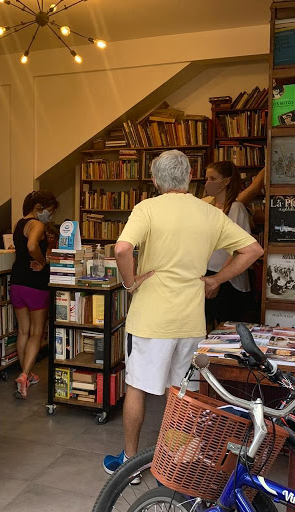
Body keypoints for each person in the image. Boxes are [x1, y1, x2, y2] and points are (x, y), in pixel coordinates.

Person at [103, 150, 263, 475]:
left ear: (154, 180)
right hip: (191, 319)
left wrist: (131, 282)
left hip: (150, 318)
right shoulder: (208, 212)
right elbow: (252, 250)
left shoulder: (147, 208)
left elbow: (122, 248)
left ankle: (131, 463)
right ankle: (177, 462)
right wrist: (215, 279)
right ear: (189, 176)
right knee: (181, 392)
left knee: (137, 387)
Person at [10, 190, 59, 399]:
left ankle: (27, 373)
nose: (50, 216)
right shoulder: (37, 225)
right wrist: (43, 261)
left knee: (23, 331)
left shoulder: (19, 223)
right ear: (38, 207)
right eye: (49, 211)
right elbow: (32, 246)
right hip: (35, 283)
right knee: (37, 332)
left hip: (17, 281)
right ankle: (23, 374)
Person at [203, 161, 253, 325]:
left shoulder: (235, 208)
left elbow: (239, 250)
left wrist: (219, 279)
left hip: (228, 278)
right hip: (207, 274)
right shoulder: (207, 208)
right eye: (207, 178)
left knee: (227, 328)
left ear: (225, 181)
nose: (208, 183)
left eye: (213, 178)